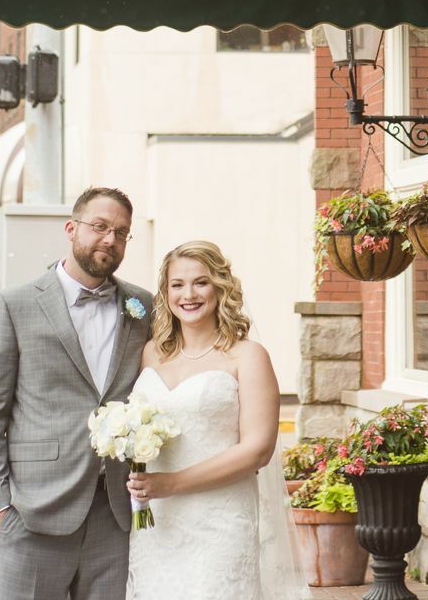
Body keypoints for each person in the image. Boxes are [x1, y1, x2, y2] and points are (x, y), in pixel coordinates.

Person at [0, 188, 155, 600]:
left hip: (114, 514)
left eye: (122, 232)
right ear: (71, 229)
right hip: (34, 511)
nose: (110, 239)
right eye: (100, 226)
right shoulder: (13, 305)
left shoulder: (143, 306)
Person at [124, 240, 294, 600]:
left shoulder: (247, 356)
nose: (189, 294)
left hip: (220, 524)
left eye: (200, 282)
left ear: (220, 287)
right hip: (157, 524)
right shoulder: (151, 353)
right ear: (166, 292)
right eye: (177, 284)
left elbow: (257, 451)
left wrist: (170, 484)